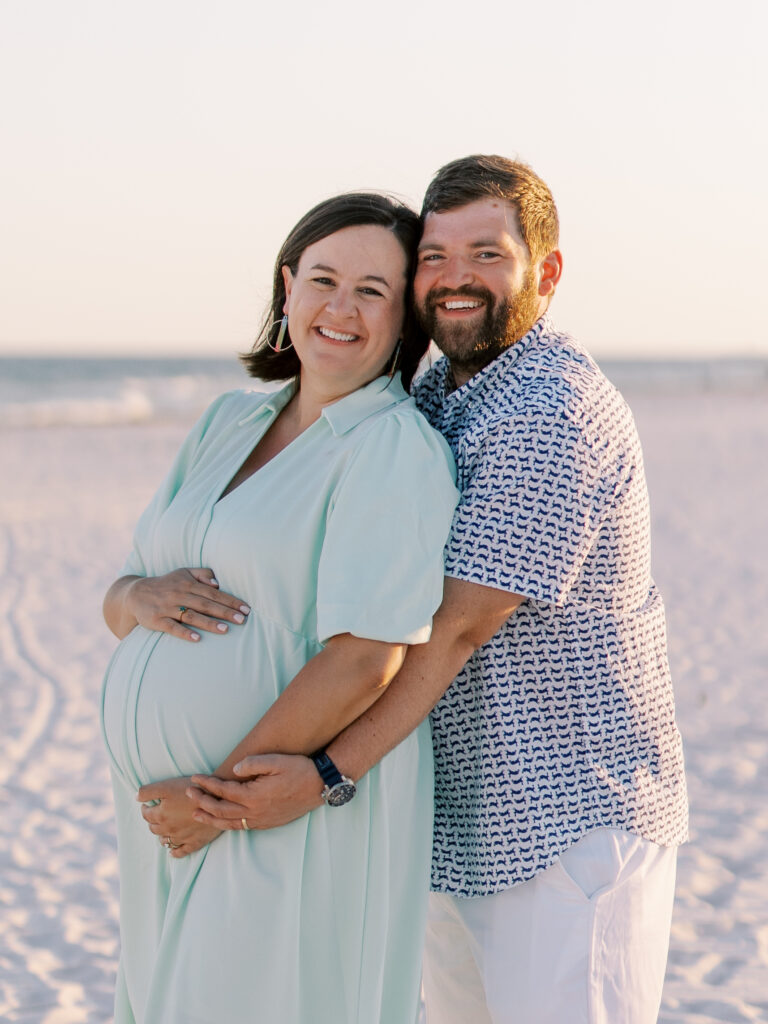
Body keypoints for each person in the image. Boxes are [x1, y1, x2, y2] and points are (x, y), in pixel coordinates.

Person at [186, 156, 689, 1024]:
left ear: (548, 272)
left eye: (487, 254)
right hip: (459, 827)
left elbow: (452, 631)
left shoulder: (551, 410)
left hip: (566, 830)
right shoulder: (436, 390)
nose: (456, 277)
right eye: (436, 255)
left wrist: (325, 775)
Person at [100, 192, 459, 1023]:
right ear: (288, 287)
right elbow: (124, 599)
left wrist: (216, 800)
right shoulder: (230, 419)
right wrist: (136, 595)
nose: (341, 307)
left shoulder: (391, 448)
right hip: (170, 820)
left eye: (373, 290)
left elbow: (367, 657)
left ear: (404, 318)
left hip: (268, 810)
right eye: (324, 279)